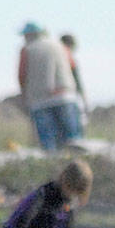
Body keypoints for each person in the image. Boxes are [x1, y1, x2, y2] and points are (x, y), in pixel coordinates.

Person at [17, 22, 83, 151]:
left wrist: (25, 98)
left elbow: (22, 76)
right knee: (74, 143)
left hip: (40, 101)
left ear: (29, 35)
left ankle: (55, 168)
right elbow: (73, 67)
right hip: (66, 96)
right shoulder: (60, 46)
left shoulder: (27, 50)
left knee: (49, 145)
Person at [2, 159, 92, 228]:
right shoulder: (42, 196)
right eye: (72, 188)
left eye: (78, 191)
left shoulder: (68, 204)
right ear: (64, 180)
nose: (73, 194)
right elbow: (16, 227)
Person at [59, 33, 88, 135]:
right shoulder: (68, 56)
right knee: (74, 131)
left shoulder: (54, 56)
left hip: (53, 97)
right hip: (70, 96)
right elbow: (77, 80)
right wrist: (83, 97)